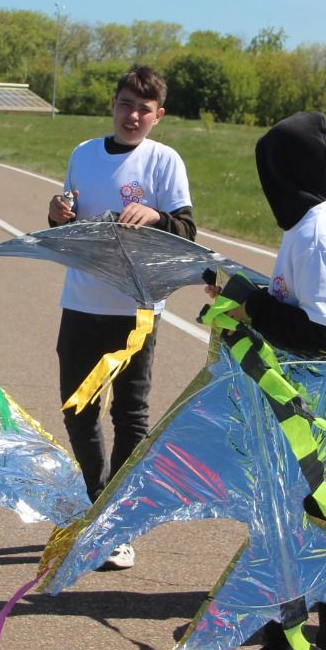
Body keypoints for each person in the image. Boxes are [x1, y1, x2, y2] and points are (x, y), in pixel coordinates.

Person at [210, 110, 326, 650]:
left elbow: (324, 329)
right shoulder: (305, 225)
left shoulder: (317, 234)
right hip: (300, 411)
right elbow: (293, 304)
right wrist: (241, 293)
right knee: (286, 530)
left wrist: (251, 305)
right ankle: (284, 649)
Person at [46, 65, 193, 572]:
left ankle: (119, 521)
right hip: (82, 301)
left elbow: (187, 229)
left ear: (158, 115)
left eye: (144, 109)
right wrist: (57, 211)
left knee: (129, 415)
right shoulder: (84, 154)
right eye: (126, 104)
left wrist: (156, 217)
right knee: (77, 409)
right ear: (114, 104)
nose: (134, 116)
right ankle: (96, 500)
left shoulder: (163, 160)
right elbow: (67, 212)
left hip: (137, 310)